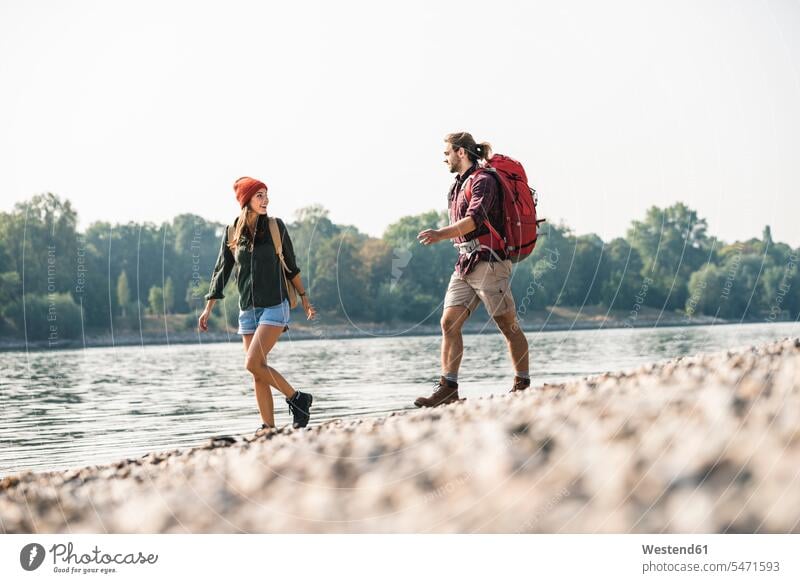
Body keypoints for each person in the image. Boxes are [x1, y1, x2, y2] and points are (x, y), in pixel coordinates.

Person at [415, 132, 530, 406]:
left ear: (461, 152)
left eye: (447, 154)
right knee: (448, 323)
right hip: (464, 265)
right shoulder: (457, 185)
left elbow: (474, 220)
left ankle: (522, 384)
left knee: (507, 325)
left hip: (490, 262)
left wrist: (439, 234)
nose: (445, 159)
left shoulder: (484, 181)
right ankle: (448, 388)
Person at [198, 176, 317, 432]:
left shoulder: (276, 227)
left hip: (275, 304)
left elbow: (291, 266)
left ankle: (297, 399)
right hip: (247, 309)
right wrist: (209, 307)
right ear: (246, 201)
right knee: (257, 370)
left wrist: (305, 298)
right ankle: (268, 427)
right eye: (259, 196)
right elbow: (221, 270)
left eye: (266, 194)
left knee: (252, 363)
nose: (266, 200)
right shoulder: (232, 232)